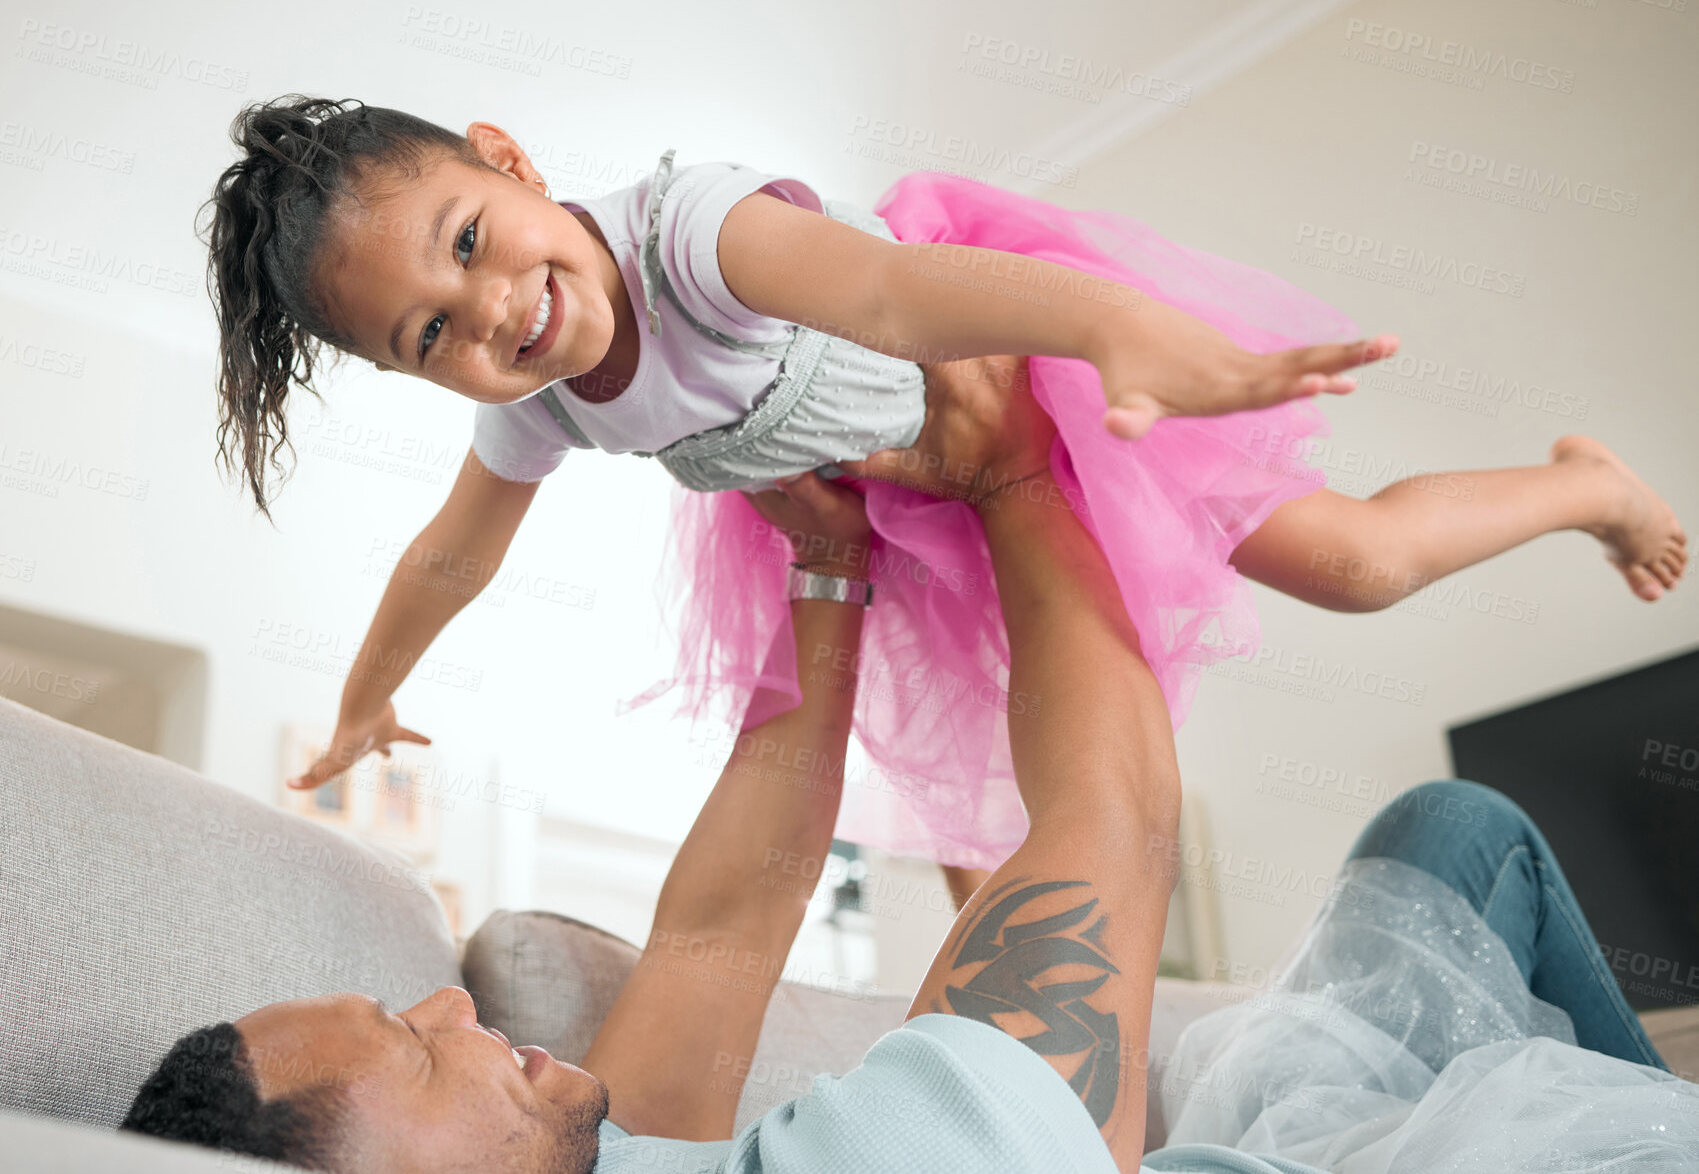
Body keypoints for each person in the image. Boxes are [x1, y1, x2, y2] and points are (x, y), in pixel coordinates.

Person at [122, 363, 1695, 1173]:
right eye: (409, 1041)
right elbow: (1114, 822)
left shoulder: (595, 1148)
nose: (456, 1002)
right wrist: (1017, 472)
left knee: (1449, 827)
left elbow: (721, 931)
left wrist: (826, 571)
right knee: (1465, 841)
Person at [205, 96, 1686, 890]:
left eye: (471, 241)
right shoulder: (539, 406)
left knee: (1353, 567)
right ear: (419, 376)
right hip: (905, 515)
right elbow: (447, 560)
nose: (496, 315)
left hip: (1019, 376)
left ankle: (1581, 486)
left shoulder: (696, 234)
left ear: (509, 160)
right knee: (970, 831)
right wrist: (360, 699)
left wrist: (1115, 332)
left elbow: (902, 297)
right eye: (433, 335)